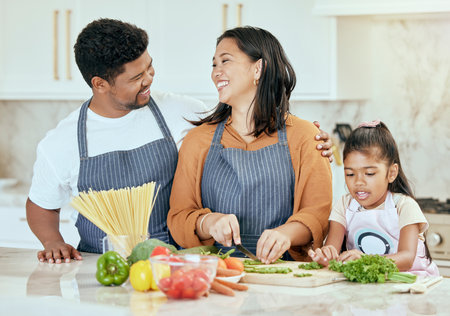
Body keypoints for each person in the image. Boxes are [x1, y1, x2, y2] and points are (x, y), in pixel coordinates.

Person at [26, 19, 333, 264]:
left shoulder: (182, 113)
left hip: (173, 265)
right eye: (136, 77)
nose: (149, 78)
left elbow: (249, 115)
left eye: (150, 67)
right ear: (101, 84)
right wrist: (53, 242)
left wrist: (310, 136)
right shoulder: (62, 142)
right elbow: (41, 204)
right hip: (101, 264)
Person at [167, 26, 333, 264]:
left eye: (225, 61)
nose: (216, 72)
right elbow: (179, 216)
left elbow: (318, 214)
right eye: (214, 64)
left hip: (284, 274)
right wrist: (209, 222)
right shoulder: (197, 140)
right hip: (218, 273)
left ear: (259, 68)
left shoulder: (306, 136)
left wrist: (285, 234)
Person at [308, 120, 439, 276]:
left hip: (414, 284)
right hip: (372, 287)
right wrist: (326, 255)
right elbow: (332, 251)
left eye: (369, 173)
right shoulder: (345, 205)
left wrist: (366, 260)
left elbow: (406, 259)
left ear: (391, 173)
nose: (358, 182)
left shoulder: (404, 206)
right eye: (350, 174)